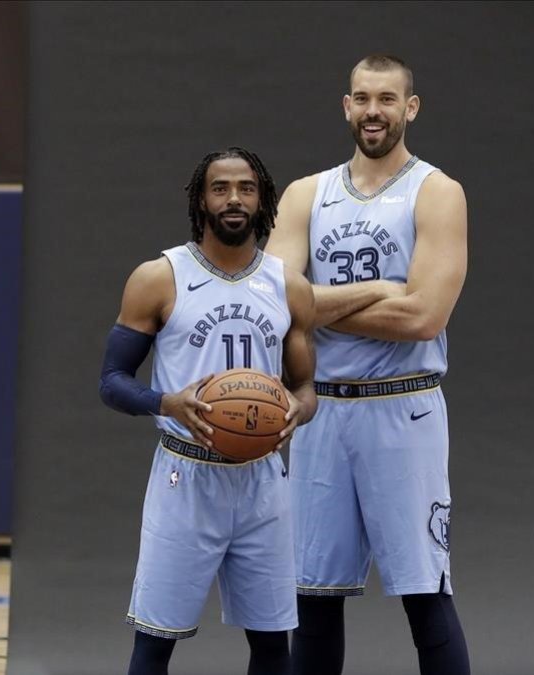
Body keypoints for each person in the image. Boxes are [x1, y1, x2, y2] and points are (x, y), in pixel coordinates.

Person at [266, 54, 470, 675]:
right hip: (321, 411)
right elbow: (271, 301)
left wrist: (313, 306)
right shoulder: (307, 193)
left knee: (425, 594)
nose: (373, 110)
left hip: (402, 407)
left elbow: (424, 318)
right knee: (311, 598)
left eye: (387, 99)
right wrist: (382, 289)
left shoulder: (436, 192)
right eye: (362, 98)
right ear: (346, 106)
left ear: (410, 108)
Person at [100, 147, 318, 675]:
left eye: (246, 187)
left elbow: (307, 389)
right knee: (155, 642)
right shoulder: (159, 277)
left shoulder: (289, 286)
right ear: (202, 199)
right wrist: (165, 401)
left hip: (263, 479)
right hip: (186, 475)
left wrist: (295, 411)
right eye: (220, 188)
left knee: (272, 645)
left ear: (261, 198)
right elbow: (111, 381)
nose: (234, 198)